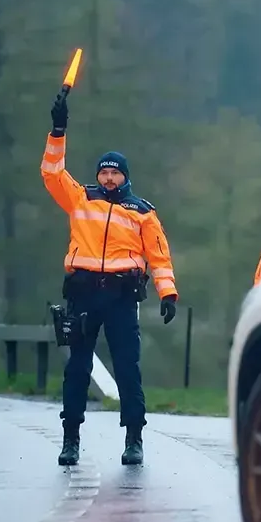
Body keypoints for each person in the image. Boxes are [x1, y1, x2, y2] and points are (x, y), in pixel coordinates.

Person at [41, 96, 179, 467]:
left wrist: (168, 293)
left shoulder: (142, 211)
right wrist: (58, 132)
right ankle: (71, 440)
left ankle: (134, 439)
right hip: (84, 294)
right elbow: (52, 173)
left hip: (121, 298)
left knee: (127, 368)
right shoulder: (81, 198)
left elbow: (159, 255)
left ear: (125, 176)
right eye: (104, 172)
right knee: (77, 369)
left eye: (115, 173)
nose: (108, 178)